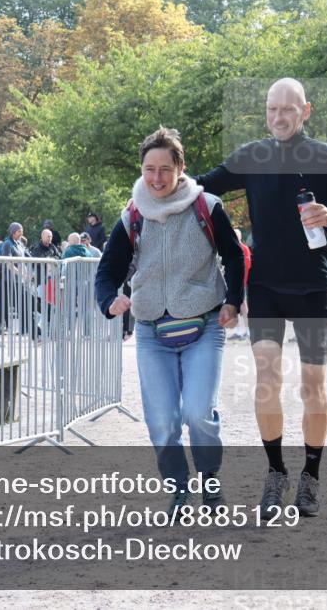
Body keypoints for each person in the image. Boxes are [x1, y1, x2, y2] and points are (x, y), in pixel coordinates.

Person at [194, 78, 327, 516]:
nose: (278, 117)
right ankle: (276, 472)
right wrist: (157, 182)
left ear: (306, 111)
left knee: (313, 387)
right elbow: (203, 185)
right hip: (266, 285)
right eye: (271, 109)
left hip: (314, 285)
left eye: (287, 110)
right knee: (266, 382)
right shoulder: (252, 156)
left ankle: (311, 476)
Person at [95, 126, 244, 511]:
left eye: (165, 169)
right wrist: (110, 300)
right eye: (149, 169)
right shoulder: (132, 214)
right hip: (150, 330)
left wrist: (233, 301)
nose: (156, 178)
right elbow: (108, 270)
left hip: (204, 325)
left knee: (197, 412)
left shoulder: (206, 207)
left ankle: (209, 480)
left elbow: (234, 255)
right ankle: (180, 488)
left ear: (180, 168)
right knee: (162, 421)